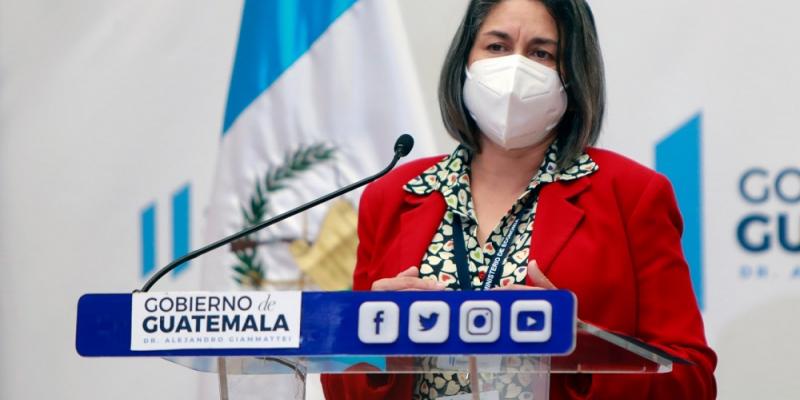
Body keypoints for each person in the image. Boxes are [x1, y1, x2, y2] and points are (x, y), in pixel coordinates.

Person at [322, 0, 717, 398]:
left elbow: (692, 379)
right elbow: (342, 385)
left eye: (541, 53)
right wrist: (373, 335)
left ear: (574, 75)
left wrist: (573, 342)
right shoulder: (394, 195)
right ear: (465, 59)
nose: (514, 68)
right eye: (496, 47)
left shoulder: (631, 195)